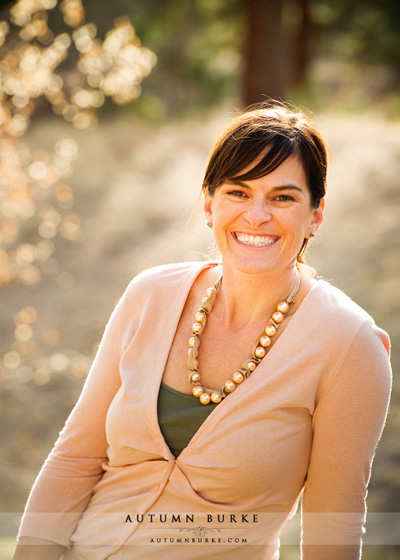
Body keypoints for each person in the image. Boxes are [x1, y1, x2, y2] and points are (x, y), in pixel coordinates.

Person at [13, 100, 392, 560]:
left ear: (315, 214)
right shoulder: (148, 295)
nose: (256, 216)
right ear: (210, 203)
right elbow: (75, 460)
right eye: (238, 192)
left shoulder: (349, 345)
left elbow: (331, 530)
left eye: (283, 197)